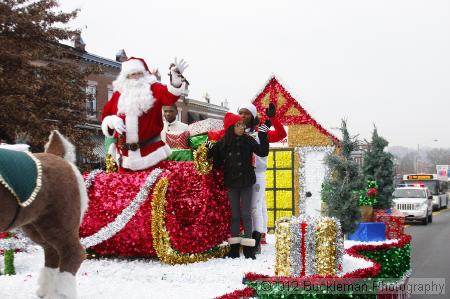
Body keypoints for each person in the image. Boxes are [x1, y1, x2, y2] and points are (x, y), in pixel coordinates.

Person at [101, 57, 188, 171]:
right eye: (132, 74)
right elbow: (105, 116)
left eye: (139, 73)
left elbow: (169, 96)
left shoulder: (153, 89)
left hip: (151, 157)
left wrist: (175, 80)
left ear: (145, 74)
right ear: (126, 77)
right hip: (124, 159)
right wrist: (112, 121)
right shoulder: (118, 95)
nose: (136, 77)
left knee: (156, 187)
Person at [207, 112, 270, 259]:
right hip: (231, 182)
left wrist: (263, 135)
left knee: (246, 214)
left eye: (242, 124)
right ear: (231, 127)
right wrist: (210, 148)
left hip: (247, 182)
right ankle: (234, 249)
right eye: (238, 125)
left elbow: (262, 151)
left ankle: (249, 249)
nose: (242, 127)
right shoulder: (223, 143)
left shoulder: (248, 140)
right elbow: (216, 163)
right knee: (235, 215)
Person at [238, 102, 287, 253]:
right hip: (243, 174)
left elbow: (281, 135)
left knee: (255, 207)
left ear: (252, 115)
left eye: (246, 113)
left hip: (258, 173)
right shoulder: (238, 131)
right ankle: (258, 236)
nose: (243, 116)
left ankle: (256, 242)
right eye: (240, 113)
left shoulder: (261, 132)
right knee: (254, 206)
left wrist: (273, 118)